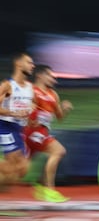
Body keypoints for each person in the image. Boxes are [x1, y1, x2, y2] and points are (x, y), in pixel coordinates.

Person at [23, 65, 73, 202]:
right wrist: (29, 113)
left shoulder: (53, 95)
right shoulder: (31, 91)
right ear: (40, 76)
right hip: (31, 131)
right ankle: (49, 190)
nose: (53, 79)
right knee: (58, 151)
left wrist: (64, 108)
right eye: (50, 76)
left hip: (42, 132)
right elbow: (21, 110)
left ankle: (41, 187)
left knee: (19, 169)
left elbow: (59, 117)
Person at [0, 52, 35, 187]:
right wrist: (14, 113)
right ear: (18, 64)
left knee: (19, 172)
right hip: (5, 127)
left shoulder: (30, 88)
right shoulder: (8, 85)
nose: (32, 65)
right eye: (29, 62)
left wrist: (31, 113)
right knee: (20, 165)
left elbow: (31, 105)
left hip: (19, 129)